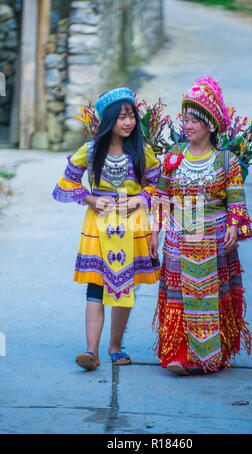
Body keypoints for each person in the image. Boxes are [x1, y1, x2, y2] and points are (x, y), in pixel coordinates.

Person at [149, 77, 252, 375]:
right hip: (179, 239)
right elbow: (162, 198)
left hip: (214, 239)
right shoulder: (173, 158)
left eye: (195, 120)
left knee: (212, 296)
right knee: (179, 294)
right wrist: (155, 232)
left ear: (210, 125)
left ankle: (212, 355)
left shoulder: (226, 161)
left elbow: (236, 200)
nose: (187, 124)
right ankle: (179, 354)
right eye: (185, 118)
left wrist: (234, 226)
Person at [52, 87, 161, 370]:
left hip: (133, 225)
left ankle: (114, 347)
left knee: (126, 287)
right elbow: (66, 183)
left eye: (132, 117)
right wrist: (91, 198)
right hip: (98, 225)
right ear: (109, 120)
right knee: (95, 286)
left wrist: (140, 198)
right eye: (122, 117)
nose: (128, 123)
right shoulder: (90, 152)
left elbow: (157, 187)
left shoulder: (142, 151)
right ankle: (91, 351)